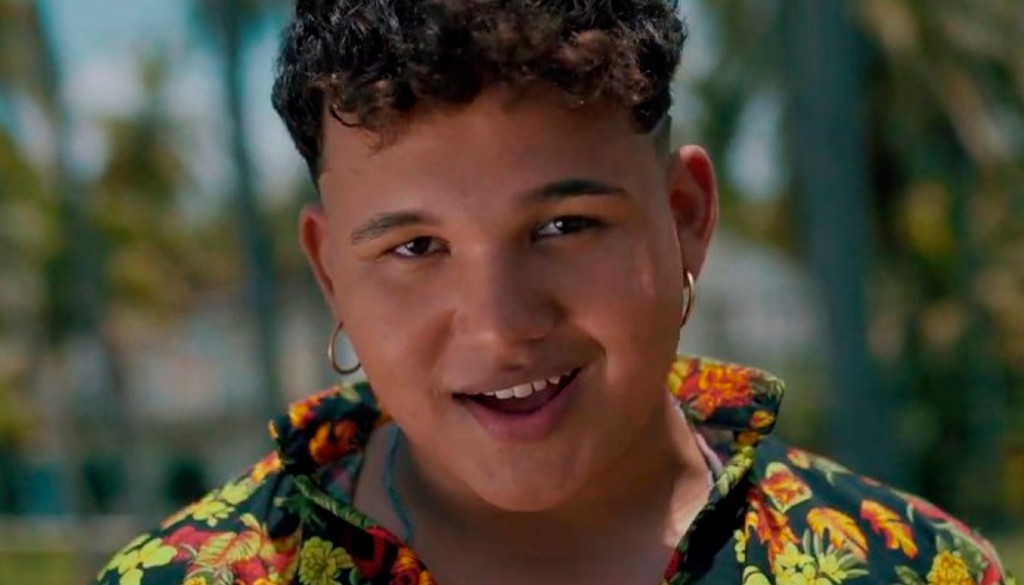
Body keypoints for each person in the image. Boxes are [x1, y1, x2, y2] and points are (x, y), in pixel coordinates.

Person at [92, 1, 1015, 584]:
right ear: (331, 270)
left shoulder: (909, 566)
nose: (500, 327)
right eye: (416, 247)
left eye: (565, 226)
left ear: (685, 215)